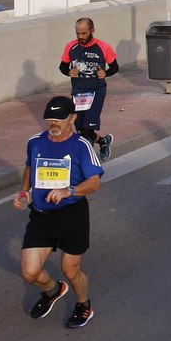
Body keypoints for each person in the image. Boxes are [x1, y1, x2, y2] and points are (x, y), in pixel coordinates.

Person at [15, 95, 104, 328]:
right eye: (50, 119)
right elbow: (29, 166)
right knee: (30, 273)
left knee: (70, 270)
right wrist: (24, 191)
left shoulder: (81, 146)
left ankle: (84, 305)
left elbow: (94, 183)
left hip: (72, 215)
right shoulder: (35, 142)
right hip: (41, 215)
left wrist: (69, 190)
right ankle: (53, 290)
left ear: (72, 118)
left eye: (59, 119)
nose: (54, 124)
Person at [60, 18, 117, 162]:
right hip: (78, 92)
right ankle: (103, 141)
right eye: (78, 33)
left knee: (87, 129)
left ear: (92, 31)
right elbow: (62, 66)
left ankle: (87, 164)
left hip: (96, 91)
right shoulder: (71, 47)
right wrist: (69, 72)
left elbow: (115, 67)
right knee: (80, 130)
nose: (80, 37)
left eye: (84, 34)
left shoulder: (103, 47)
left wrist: (105, 73)